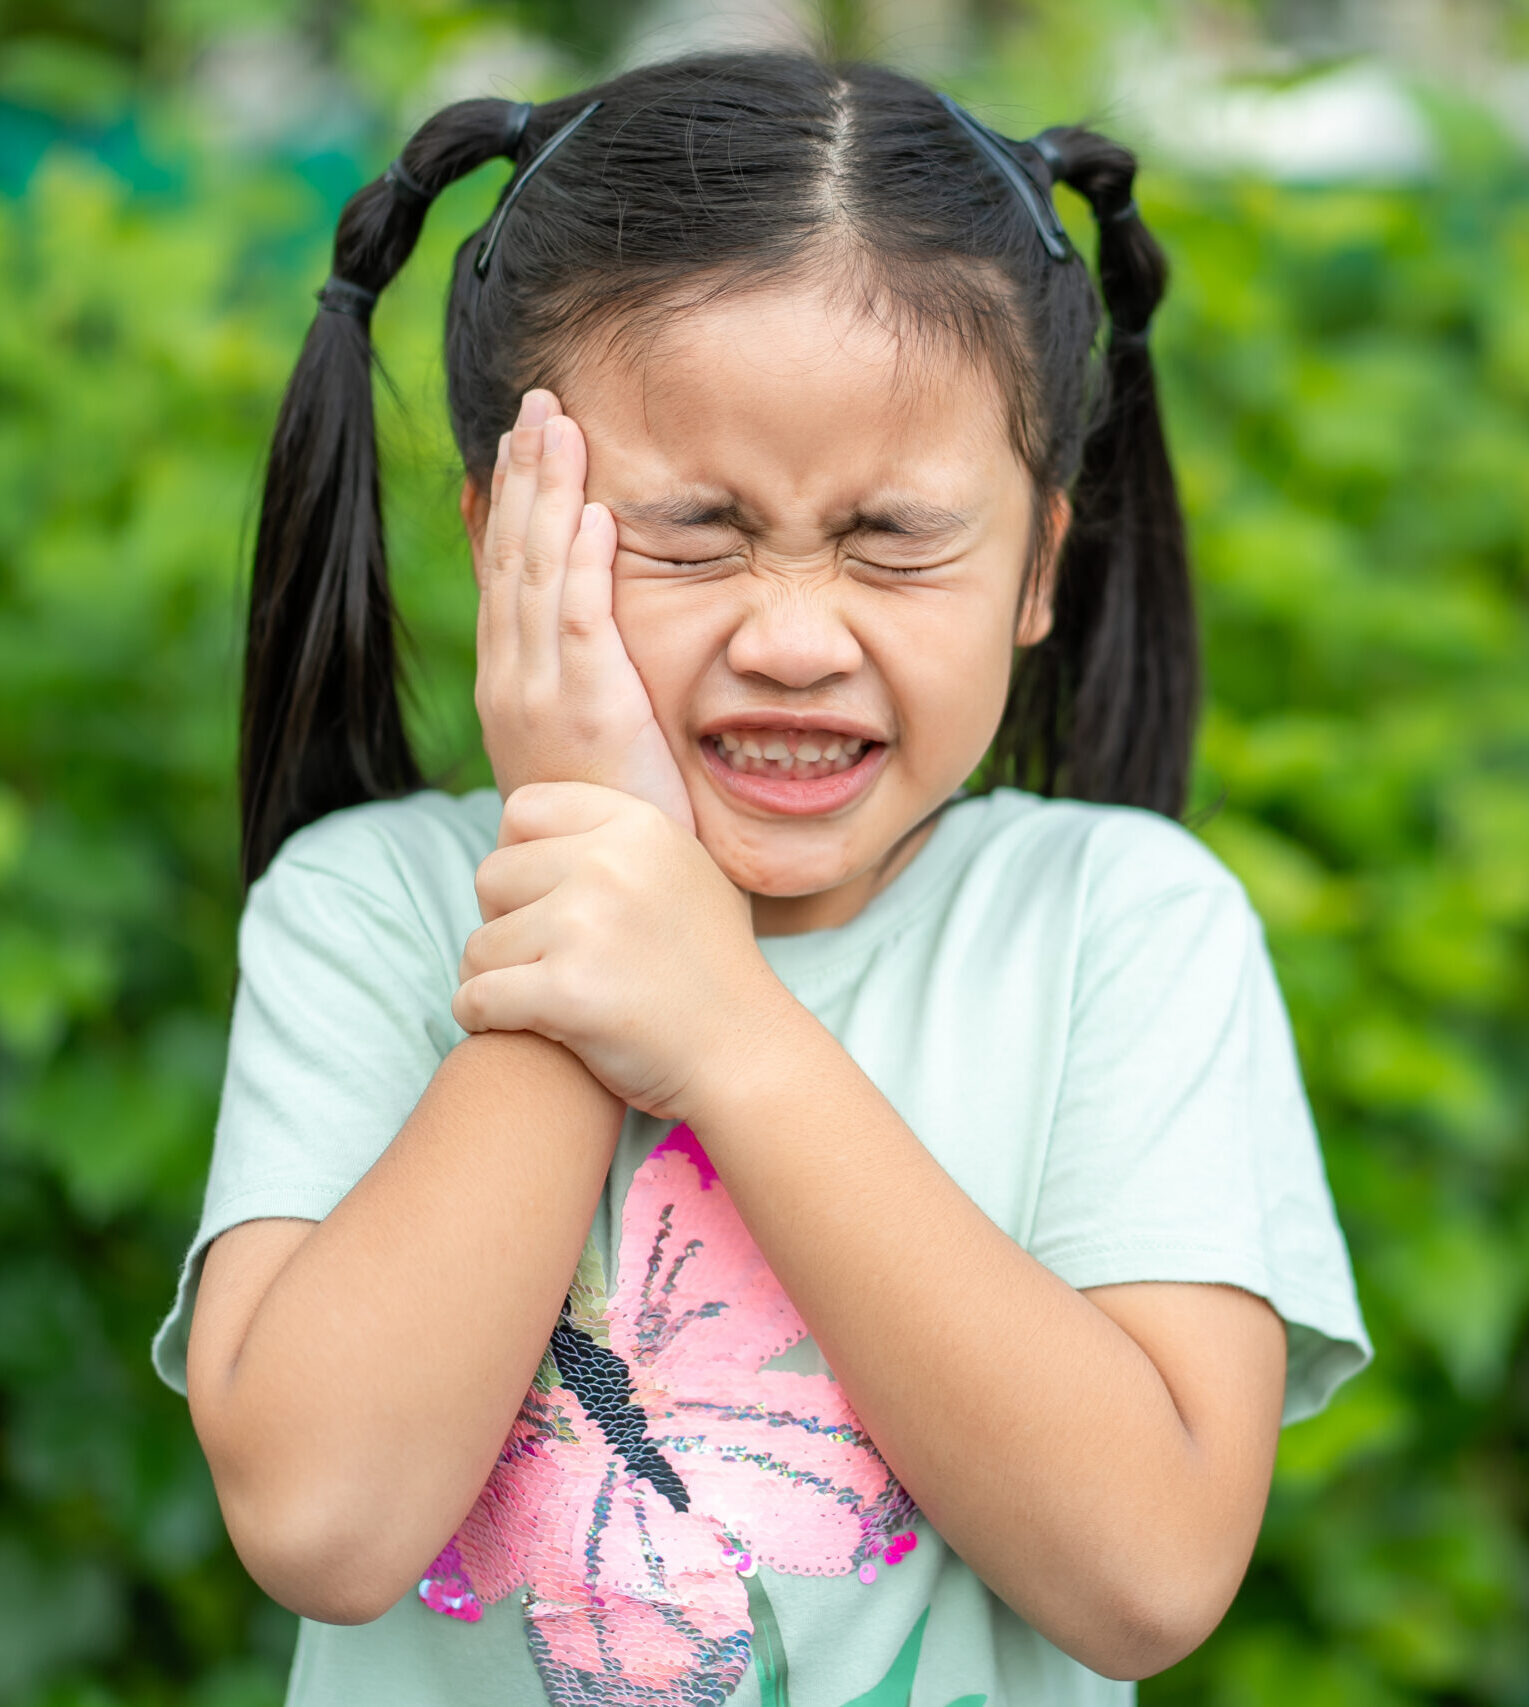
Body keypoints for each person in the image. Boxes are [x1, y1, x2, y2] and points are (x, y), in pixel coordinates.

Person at [150, 49, 1372, 1707]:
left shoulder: (1119, 926)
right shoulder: (370, 908)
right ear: (509, 535)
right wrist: (594, 891)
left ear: (1036, 567)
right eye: (690, 533)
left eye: (893, 538)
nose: (794, 638)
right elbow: (321, 1519)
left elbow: (1148, 1572)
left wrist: (721, 1024)